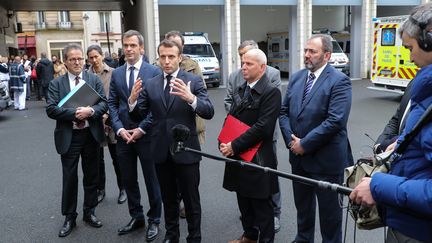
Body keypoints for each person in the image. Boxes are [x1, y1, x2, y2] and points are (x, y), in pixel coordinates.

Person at [350, 4, 432, 242]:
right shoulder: (424, 84)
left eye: (410, 48)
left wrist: (378, 186)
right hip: (407, 221)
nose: (409, 57)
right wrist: (400, 143)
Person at [129, 39, 214, 243]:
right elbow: (139, 115)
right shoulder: (151, 83)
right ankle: (171, 235)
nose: (166, 61)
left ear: (180, 58)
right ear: (158, 58)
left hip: (187, 150)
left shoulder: (192, 80)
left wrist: (191, 98)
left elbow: (209, 110)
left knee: (191, 201)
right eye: (163, 57)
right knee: (168, 199)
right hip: (160, 150)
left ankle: (194, 237)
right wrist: (132, 101)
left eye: (171, 57)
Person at [279, 34, 352, 243]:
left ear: (327, 55)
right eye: (305, 51)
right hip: (299, 158)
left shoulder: (340, 81)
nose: (307, 55)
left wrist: (305, 144)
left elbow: (335, 121)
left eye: (313, 51)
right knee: (303, 208)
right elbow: (283, 112)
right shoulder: (297, 77)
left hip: (326, 162)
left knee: (330, 216)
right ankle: (303, 238)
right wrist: (292, 142)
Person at [45, 43, 107, 237]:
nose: (77, 62)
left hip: (91, 135)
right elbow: (51, 109)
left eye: (80, 58)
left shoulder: (93, 79)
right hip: (69, 136)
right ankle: (69, 216)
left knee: (91, 177)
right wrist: (75, 113)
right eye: (73, 59)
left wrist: (91, 111)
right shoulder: (57, 83)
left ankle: (90, 212)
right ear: (65, 62)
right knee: (70, 178)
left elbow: (104, 103)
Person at [220, 48, 281, 243]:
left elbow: (263, 128)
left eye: (249, 64)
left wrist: (234, 146)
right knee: (244, 201)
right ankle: (249, 236)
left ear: (262, 68)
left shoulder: (271, 92)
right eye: (243, 63)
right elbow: (231, 118)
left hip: (258, 158)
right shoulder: (242, 88)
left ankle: (265, 240)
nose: (243, 67)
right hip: (239, 157)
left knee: (262, 207)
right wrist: (223, 142)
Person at [108, 30, 162, 242]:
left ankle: (155, 219)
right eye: (125, 45)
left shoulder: (154, 72)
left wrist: (141, 129)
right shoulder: (117, 73)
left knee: (152, 180)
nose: (128, 49)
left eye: (132, 45)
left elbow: (157, 106)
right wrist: (120, 129)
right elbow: (112, 103)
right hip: (123, 136)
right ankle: (136, 217)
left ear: (141, 48)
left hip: (146, 135)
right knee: (129, 180)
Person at [164, 30, 206, 219]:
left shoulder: (192, 67)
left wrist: (191, 98)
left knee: (189, 176)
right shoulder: (160, 68)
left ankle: (187, 204)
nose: (168, 59)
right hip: (166, 133)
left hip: (189, 127)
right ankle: (177, 202)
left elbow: (203, 99)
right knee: (170, 180)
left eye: (177, 45)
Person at [87, 44, 126, 205]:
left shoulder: (113, 73)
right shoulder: (85, 75)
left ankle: (123, 188)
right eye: (91, 57)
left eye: (97, 56)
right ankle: (100, 189)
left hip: (111, 121)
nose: (94, 60)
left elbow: (116, 98)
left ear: (102, 56)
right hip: (93, 121)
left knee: (117, 157)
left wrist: (107, 114)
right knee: (97, 159)